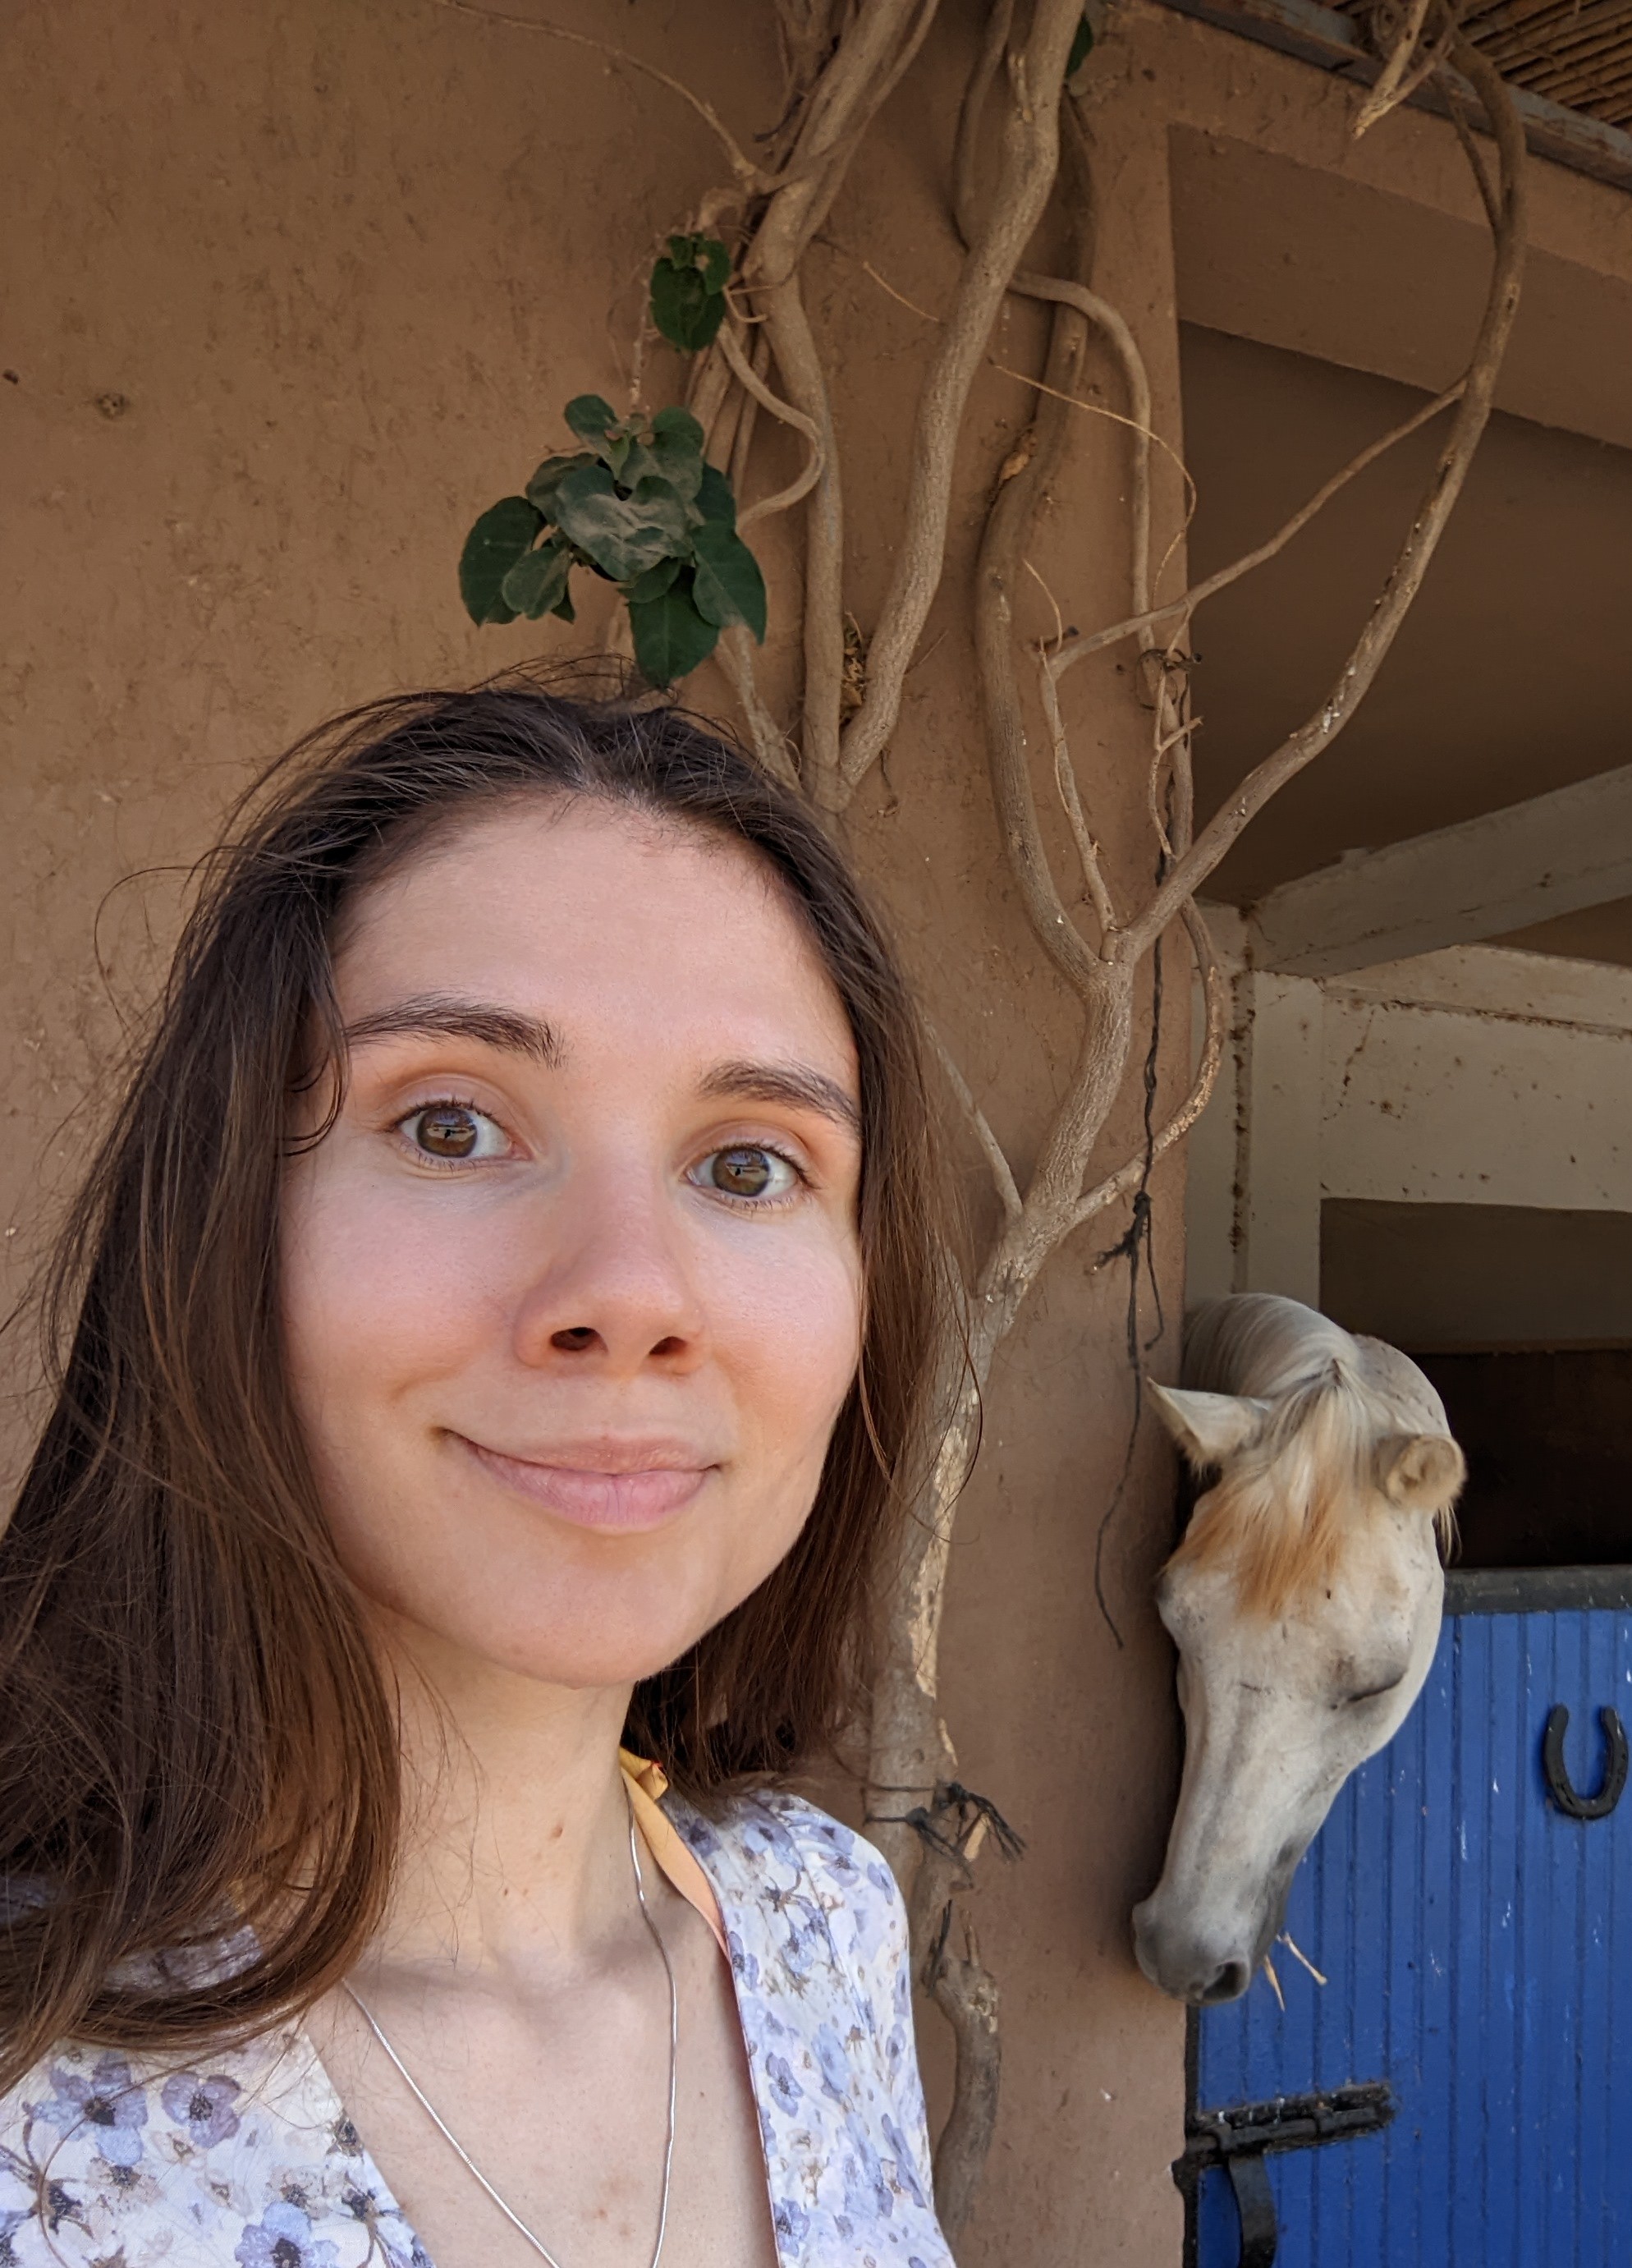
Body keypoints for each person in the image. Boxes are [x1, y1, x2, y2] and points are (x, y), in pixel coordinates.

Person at [0, 685, 959, 2268]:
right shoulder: (33, 2073)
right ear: (219, 1229)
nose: (631, 1290)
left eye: (748, 1164)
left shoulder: (821, 1927)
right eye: (450, 1126)